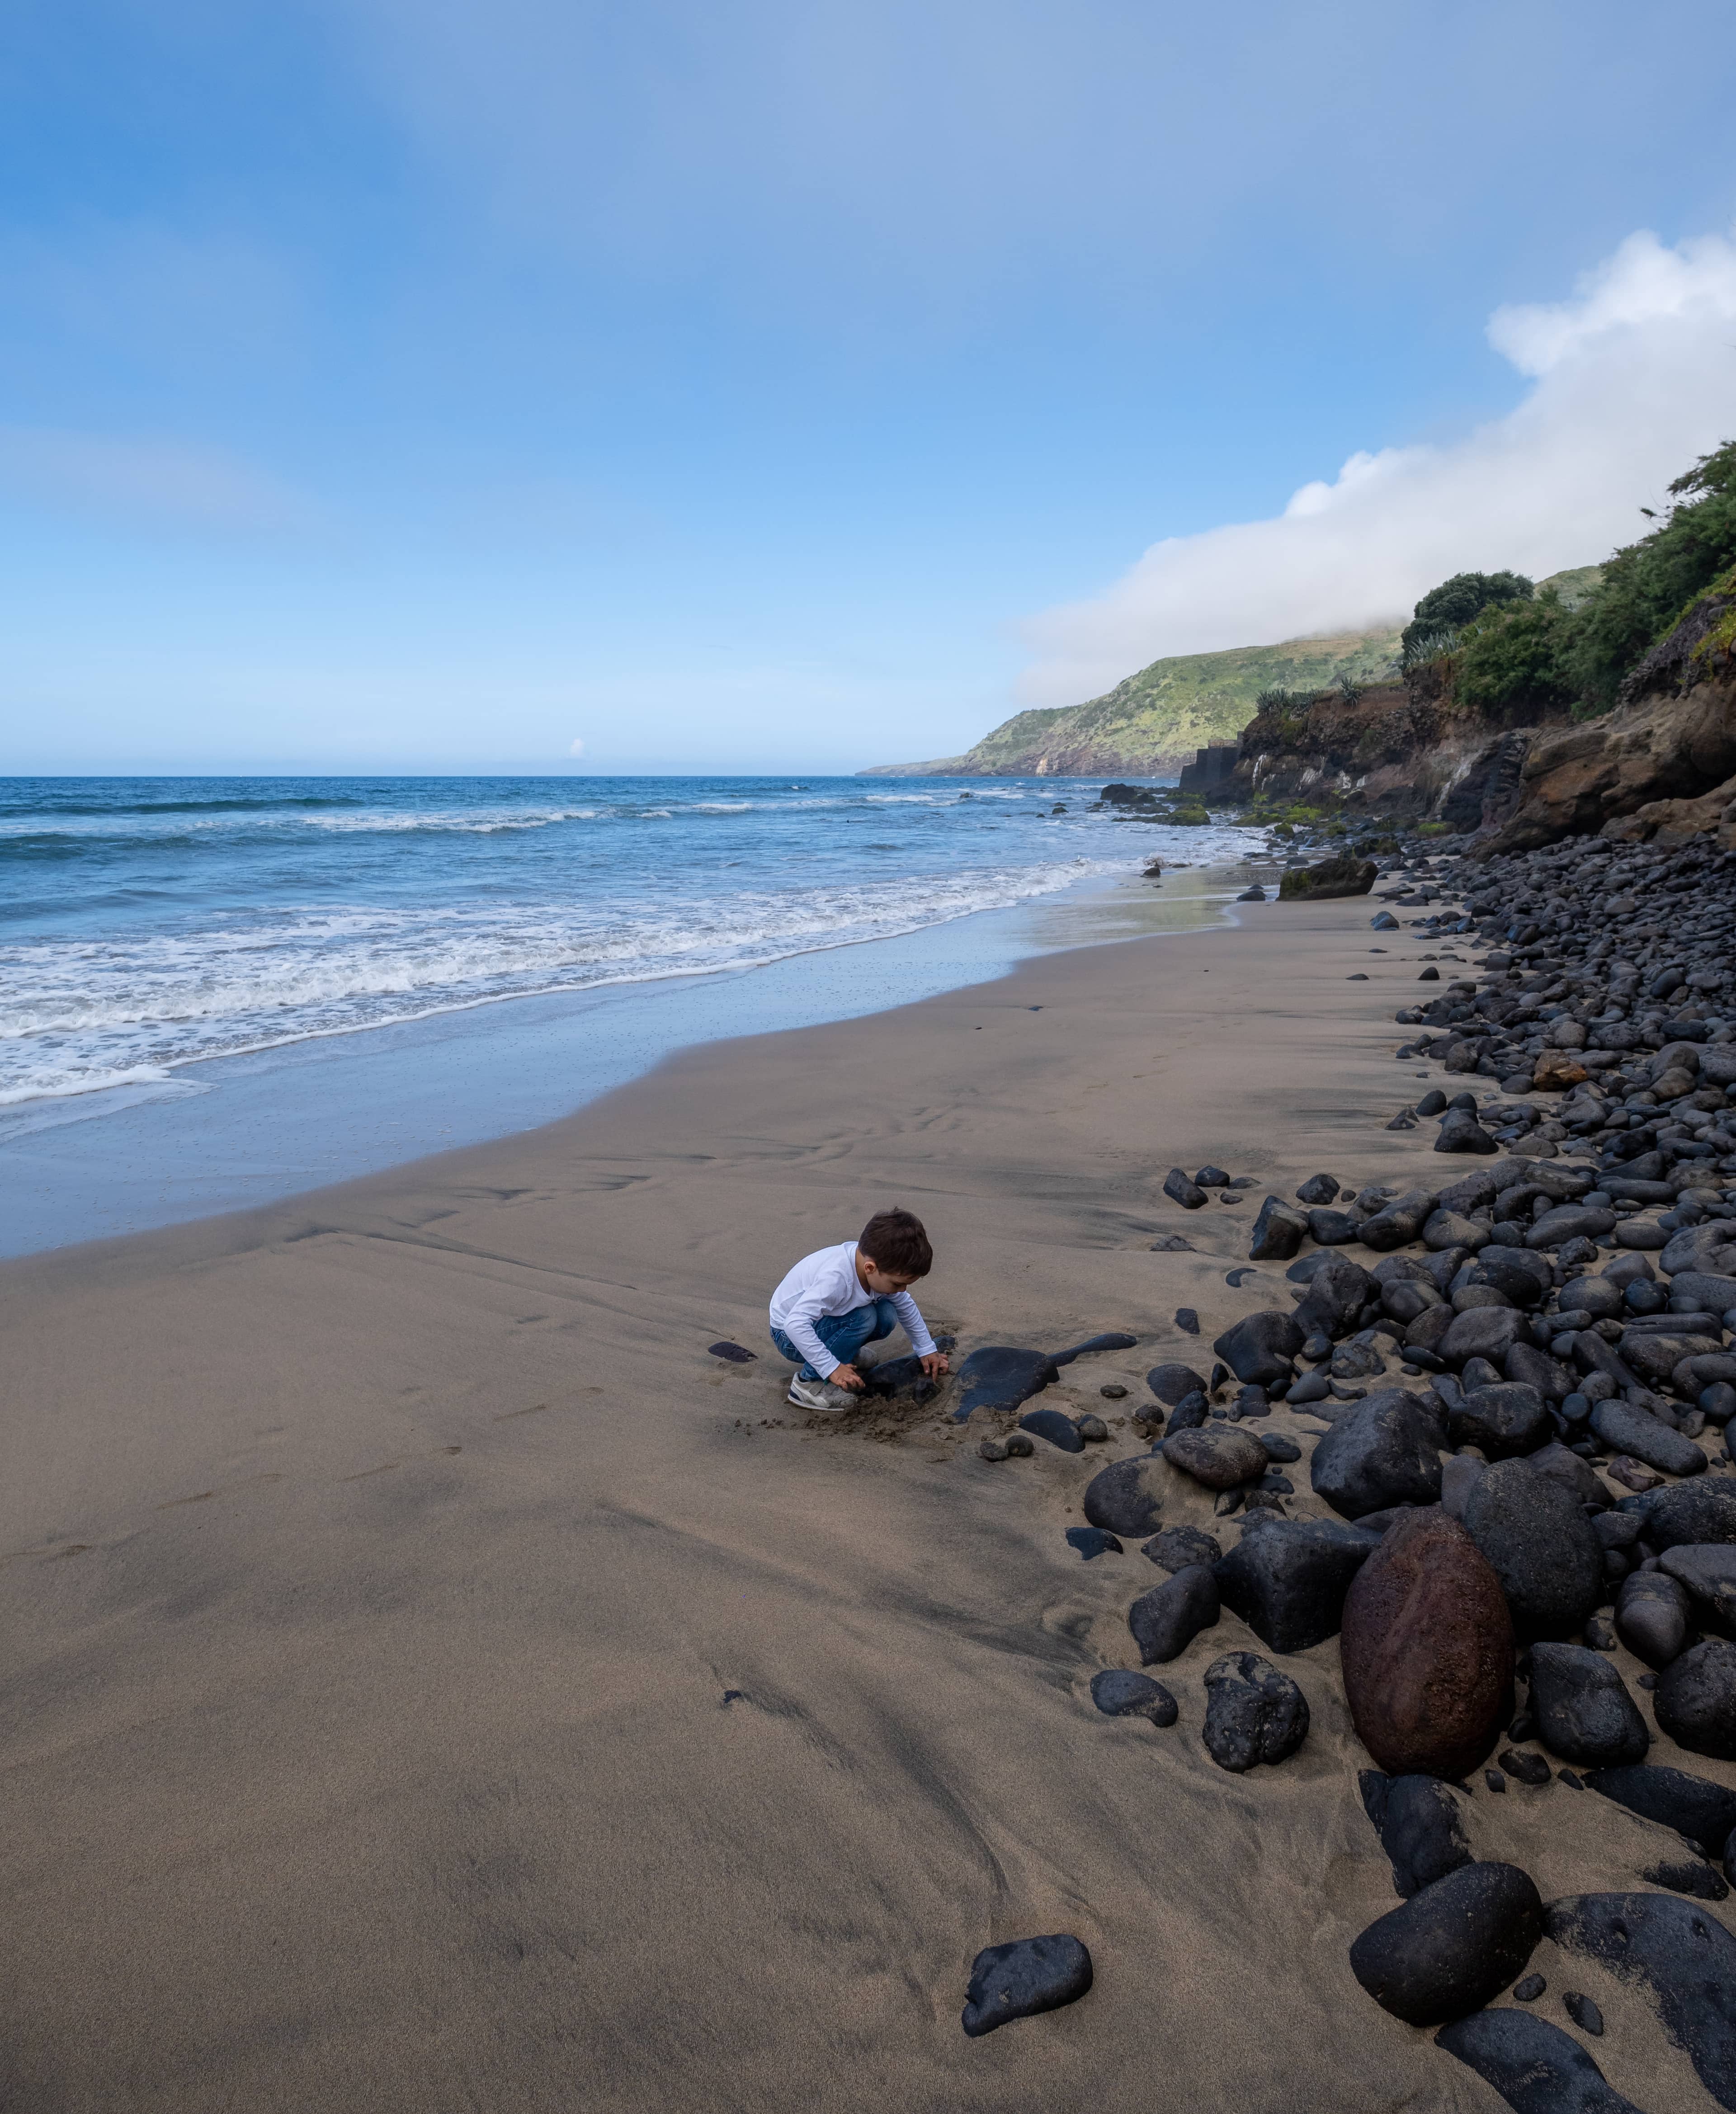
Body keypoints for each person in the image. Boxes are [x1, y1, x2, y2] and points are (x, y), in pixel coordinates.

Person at [769, 1206, 949, 1412]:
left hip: (822, 1323)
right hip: (789, 1337)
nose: (903, 1290)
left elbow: (905, 1305)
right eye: (897, 1283)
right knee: (864, 1318)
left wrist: (927, 1350)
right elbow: (795, 1324)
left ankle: (845, 1351)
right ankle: (809, 1384)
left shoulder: (875, 1263)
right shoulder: (836, 1278)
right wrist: (831, 1368)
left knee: (887, 1315)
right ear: (870, 1268)